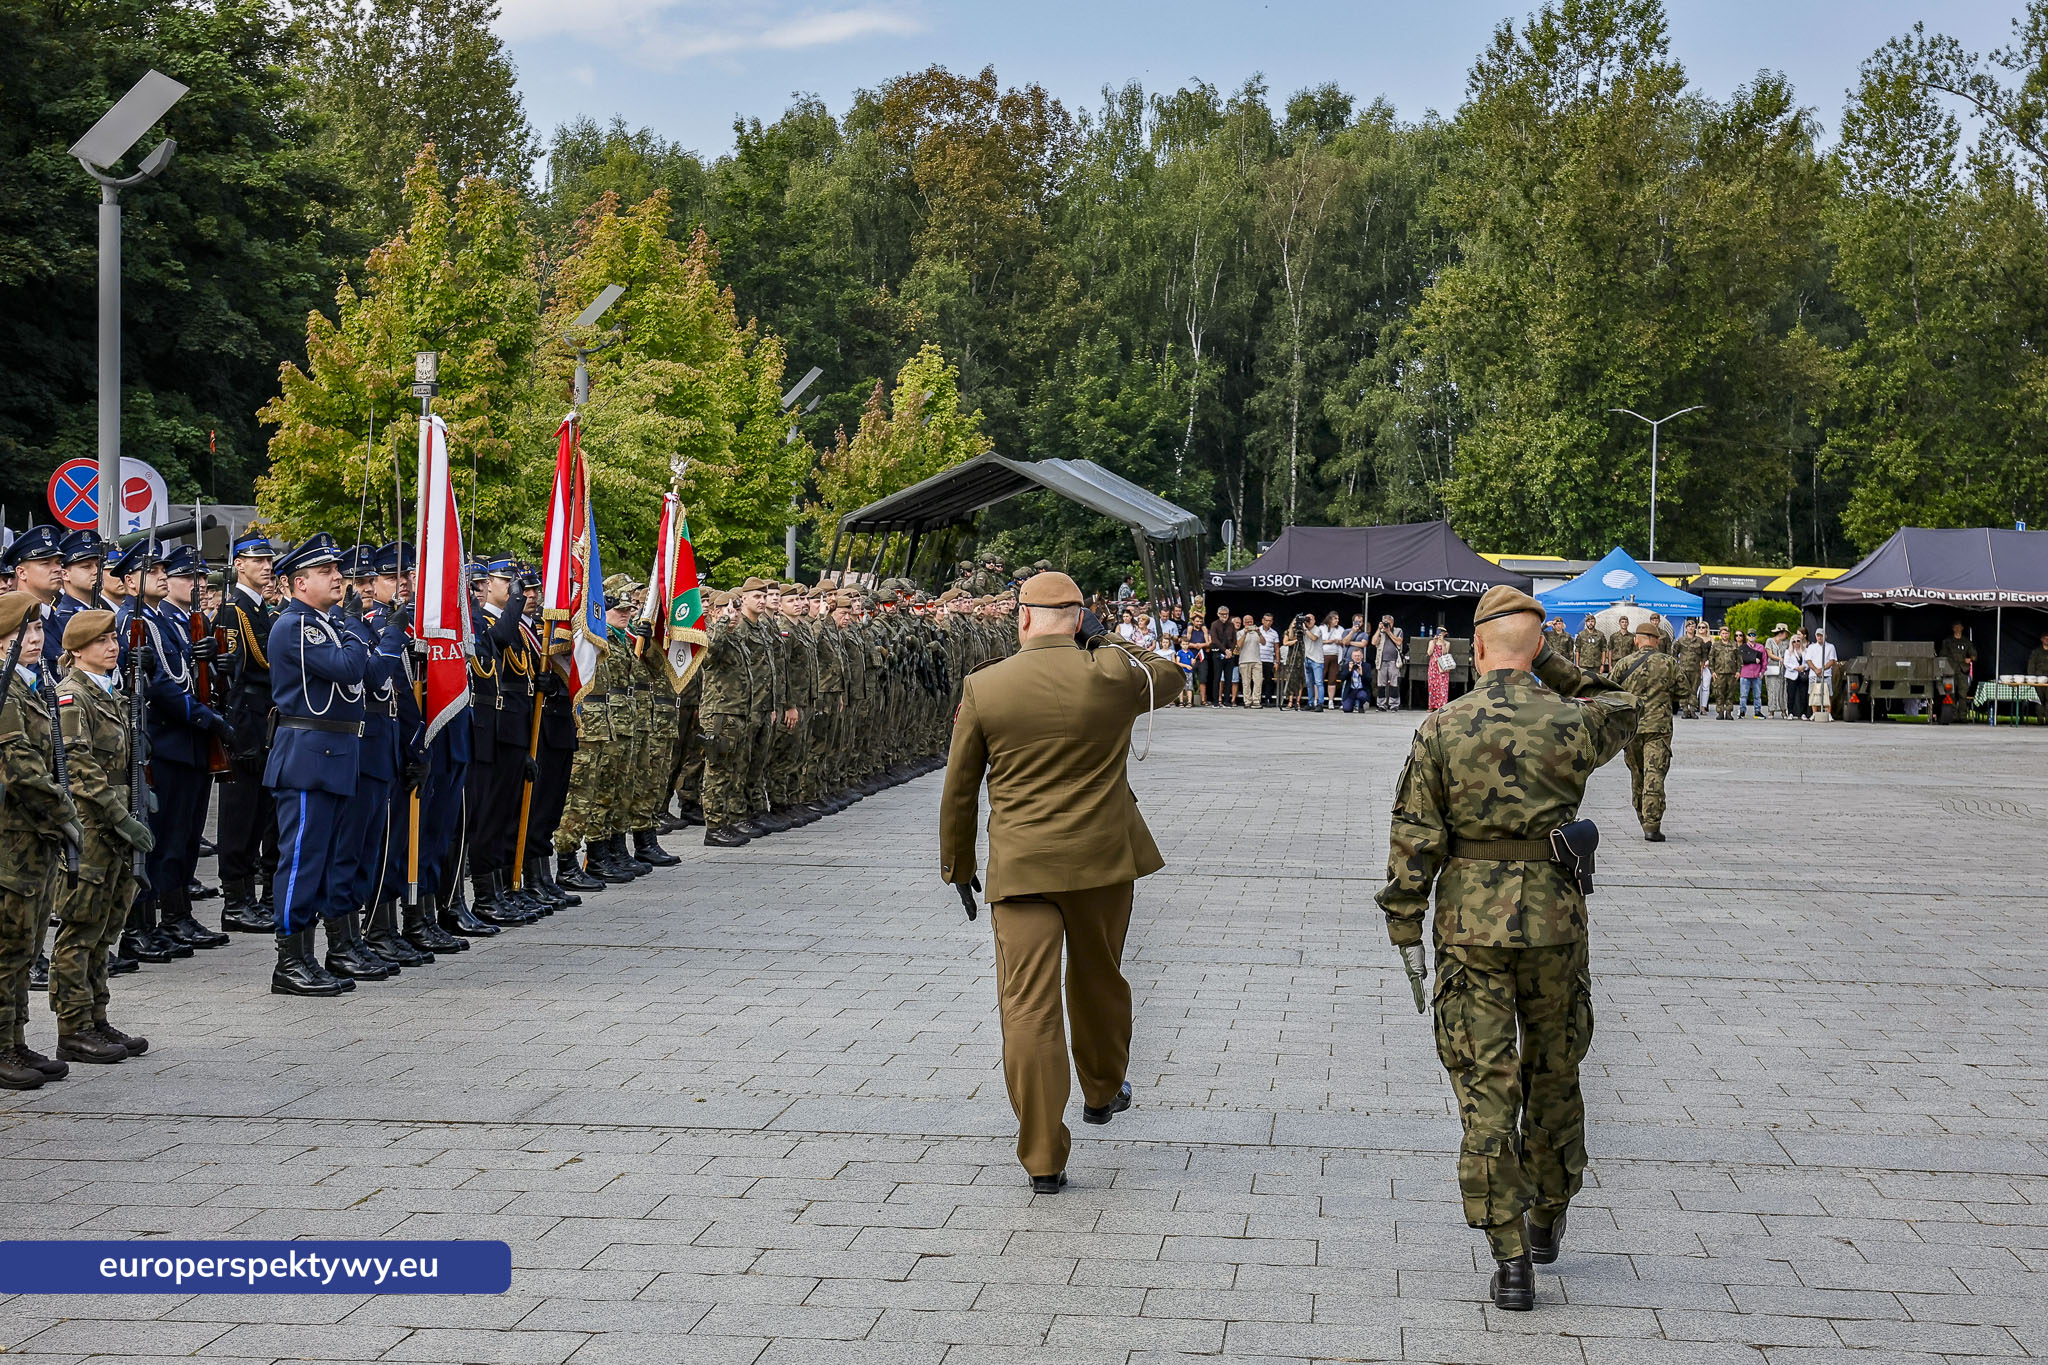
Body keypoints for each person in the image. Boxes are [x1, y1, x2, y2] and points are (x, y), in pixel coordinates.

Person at [1376, 585, 1636, 1312]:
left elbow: (1414, 835)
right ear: (1537, 647)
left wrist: (1404, 920)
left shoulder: (1442, 727)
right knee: (1555, 1070)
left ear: (1477, 648)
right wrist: (1551, 664)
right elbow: (1625, 705)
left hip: (1469, 928)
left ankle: (1511, 1252)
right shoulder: (1573, 719)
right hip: (1555, 923)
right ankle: (1551, 1209)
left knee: (1488, 1085)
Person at [939, 571, 1184, 1193]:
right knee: (1099, 977)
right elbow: (1174, 674)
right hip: (1102, 862)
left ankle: (1044, 1157)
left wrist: (959, 867)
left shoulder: (986, 686)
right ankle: (1102, 1090)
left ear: (1021, 618)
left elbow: (960, 789)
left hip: (1022, 867)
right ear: (1080, 619)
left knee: (1027, 1007)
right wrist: (1105, 641)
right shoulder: (1113, 676)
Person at [263, 534, 376, 995]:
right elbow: (351, 667)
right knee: (302, 860)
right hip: (308, 754)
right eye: (326, 572)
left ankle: (312, 955)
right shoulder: (296, 624)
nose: (338, 577)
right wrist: (354, 630)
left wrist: (350, 631)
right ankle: (290, 962)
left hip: (333, 752)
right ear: (298, 582)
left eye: (337, 570)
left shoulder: (324, 623)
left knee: (327, 858)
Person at [48, 608, 155, 1064]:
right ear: (75, 651)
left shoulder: (110, 693)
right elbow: (79, 769)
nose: (112, 647)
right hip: (93, 827)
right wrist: (120, 817)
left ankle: (96, 1015)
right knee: (81, 927)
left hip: (117, 825)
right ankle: (73, 1027)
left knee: (107, 926)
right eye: (100, 642)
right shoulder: (73, 696)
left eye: (113, 638)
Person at [0, 594, 74, 1085]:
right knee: (7, 947)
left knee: (27, 947)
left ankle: (16, 1040)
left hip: (35, 841)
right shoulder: (5, 695)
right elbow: (22, 770)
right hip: (11, 843)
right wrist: (66, 811)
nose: (32, 640)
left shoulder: (31, 686)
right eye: (20, 635)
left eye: (35, 632)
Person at [1614, 620, 1687, 841]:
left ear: (1637, 641)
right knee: (1654, 774)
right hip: (1659, 727)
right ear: (1655, 641)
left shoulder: (1624, 664)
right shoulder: (1669, 663)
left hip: (1632, 728)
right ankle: (1652, 825)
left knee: (1638, 775)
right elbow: (1684, 690)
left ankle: (1641, 815)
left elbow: (1609, 692)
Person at [1676, 622, 1709, 719]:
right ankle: (1685, 710)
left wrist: (1702, 666)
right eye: (1689, 626)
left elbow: (1704, 655)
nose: (1691, 628)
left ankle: (1693, 710)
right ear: (1686, 628)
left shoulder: (1699, 641)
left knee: (1694, 690)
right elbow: (1674, 654)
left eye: (1693, 626)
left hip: (1695, 670)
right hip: (1683, 669)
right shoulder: (1680, 640)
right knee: (1683, 690)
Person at [1708, 626, 1740, 720]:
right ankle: (1720, 712)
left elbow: (1739, 659)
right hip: (1719, 672)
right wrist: (1712, 671)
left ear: (1729, 634)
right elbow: (1711, 658)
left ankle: (1729, 712)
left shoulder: (1734, 644)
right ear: (1720, 634)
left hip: (1731, 672)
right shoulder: (1716, 645)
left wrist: (1738, 671)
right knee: (1719, 693)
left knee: (1730, 693)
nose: (1725, 635)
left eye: (1726, 633)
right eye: (1723, 633)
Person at [1372, 617, 1404, 711]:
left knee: (1394, 684)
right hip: (1381, 661)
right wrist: (1379, 629)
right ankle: (1381, 704)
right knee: (1381, 684)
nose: (1387, 624)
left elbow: (1399, 642)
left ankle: (1394, 705)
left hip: (1394, 661)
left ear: (1392, 622)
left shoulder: (1398, 630)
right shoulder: (1381, 632)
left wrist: (1389, 632)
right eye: (1385, 622)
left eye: (1388, 622)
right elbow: (1374, 642)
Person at [1209, 609, 1237, 706]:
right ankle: (1216, 701)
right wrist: (1224, 650)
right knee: (1217, 677)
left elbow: (1234, 639)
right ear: (1218, 614)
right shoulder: (1214, 624)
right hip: (1218, 653)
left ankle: (1226, 701)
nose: (1224, 616)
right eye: (1222, 614)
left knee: (1228, 678)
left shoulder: (1231, 625)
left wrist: (1230, 651)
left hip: (1229, 654)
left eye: (1226, 614)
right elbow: (1214, 639)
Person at [1807, 630, 1837, 721]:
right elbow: (1808, 660)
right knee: (1814, 694)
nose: (1819, 637)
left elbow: (1832, 660)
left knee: (1827, 694)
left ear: (1825, 636)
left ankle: (1828, 714)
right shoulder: (1811, 647)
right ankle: (1814, 713)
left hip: (1826, 674)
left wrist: (1822, 669)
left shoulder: (1830, 647)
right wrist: (1816, 669)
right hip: (1813, 674)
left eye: (1821, 635)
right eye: (1818, 635)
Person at [1736, 630, 1764, 718]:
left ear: (1756, 636)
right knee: (1743, 695)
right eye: (1750, 635)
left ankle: (1757, 711)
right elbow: (1740, 660)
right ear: (1747, 637)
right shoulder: (1742, 647)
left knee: (1757, 695)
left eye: (1753, 635)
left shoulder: (1760, 647)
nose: (1752, 636)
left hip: (1757, 673)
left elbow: (1764, 661)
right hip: (1745, 673)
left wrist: (1762, 671)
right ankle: (1742, 711)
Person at [1764, 624, 1789, 718]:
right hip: (1772, 668)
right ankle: (1771, 710)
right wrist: (1780, 659)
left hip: (1783, 669)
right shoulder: (1770, 641)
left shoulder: (1787, 642)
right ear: (1781, 633)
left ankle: (1784, 710)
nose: (1786, 635)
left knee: (1783, 690)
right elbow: (1769, 654)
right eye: (1785, 633)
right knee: (1771, 689)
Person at [1783, 630, 1809, 720]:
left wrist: (1804, 667)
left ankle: (1803, 713)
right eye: (1794, 641)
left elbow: (1809, 662)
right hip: (1792, 675)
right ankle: (1790, 712)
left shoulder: (1806, 651)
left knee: (1803, 695)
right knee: (1791, 695)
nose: (1796, 643)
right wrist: (1795, 667)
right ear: (1791, 643)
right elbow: (1786, 663)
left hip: (1803, 675)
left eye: (1798, 641)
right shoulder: (1788, 652)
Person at [1255, 612, 1278, 706]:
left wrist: (1277, 661)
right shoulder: (1257, 630)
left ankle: (1268, 699)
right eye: (1266, 620)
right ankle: (1257, 699)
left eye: (1270, 621)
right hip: (1257, 658)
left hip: (1268, 659)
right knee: (1257, 680)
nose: (1268, 622)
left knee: (1268, 680)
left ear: (1272, 622)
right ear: (1262, 621)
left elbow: (1276, 648)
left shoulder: (1274, 633)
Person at [1427, 633, 1453, 710]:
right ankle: (1432, 705)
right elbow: (1429, 653)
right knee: (1432, 685)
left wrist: (1443, 643)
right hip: (1433, 666)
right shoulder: (1432, 642)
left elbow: (1445, 653)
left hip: (1442, 665)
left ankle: (1442, 705)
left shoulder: (1447, 643)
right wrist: (1434, 642)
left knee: (1443, 686)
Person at [1340, 646, 1371, 712]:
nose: (1357, 657)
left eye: (1359, 656)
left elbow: (1369, 680)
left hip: (1361, 689)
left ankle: (1360, 706)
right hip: (1351, 690)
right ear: (1352, 657)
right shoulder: (1347, 665)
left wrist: (1362, 674)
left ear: (1362, 656)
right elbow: (1342, 678)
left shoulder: (1367, 666)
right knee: (1346, 709)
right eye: (1355, 656)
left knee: (1362, 695)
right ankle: (1352, 704)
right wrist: (1349, 670)